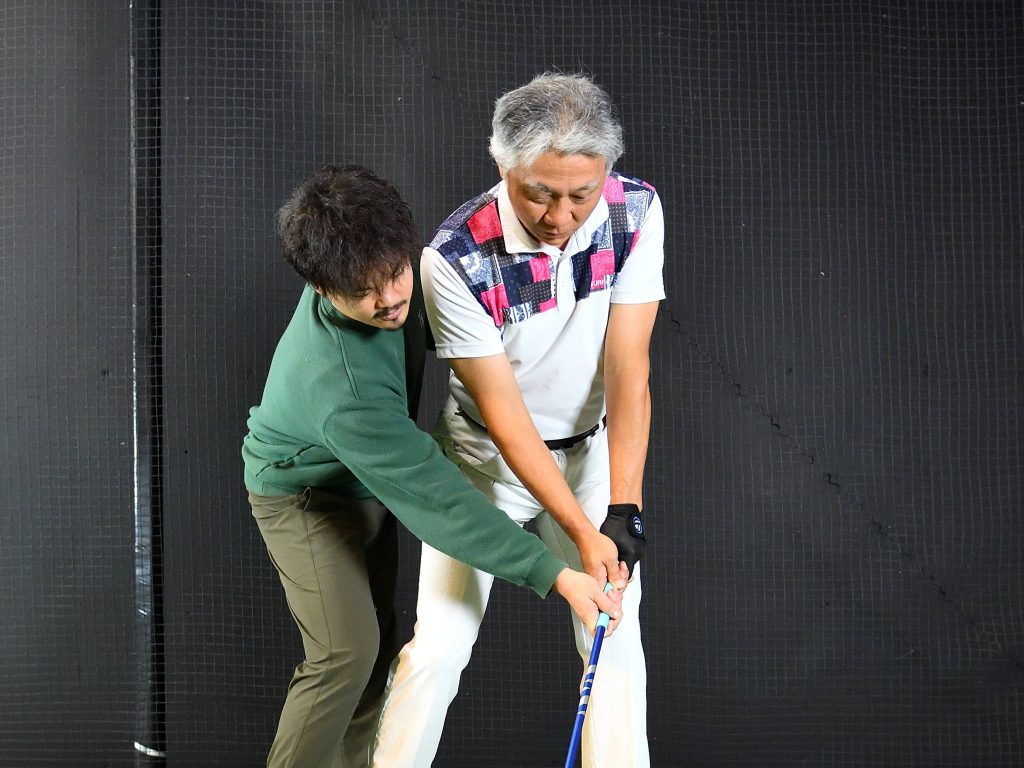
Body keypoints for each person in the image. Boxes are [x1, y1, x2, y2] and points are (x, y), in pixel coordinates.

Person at [242, 164, 623, 768]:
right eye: (365, 291)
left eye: (396, 274)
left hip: (367, 479)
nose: (391, 299)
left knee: (377, 650)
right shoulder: (343, 391)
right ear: (322, 288)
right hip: (305, 493)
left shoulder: (396, 269)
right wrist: (554, 573)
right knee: (345, 653)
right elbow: (440, 502)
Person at [373, 73, 663, 767]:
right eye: (540, 193)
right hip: (484, 466)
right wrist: (580, 533)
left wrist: (623, 510)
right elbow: (506, 419)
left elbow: (629, 367)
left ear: (606, 172)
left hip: (591, 457)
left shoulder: (635, 212)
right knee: (439, 649)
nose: (562, 216)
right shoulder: (454, 258)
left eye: (580, 194)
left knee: (614, 638)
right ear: (502, 166)